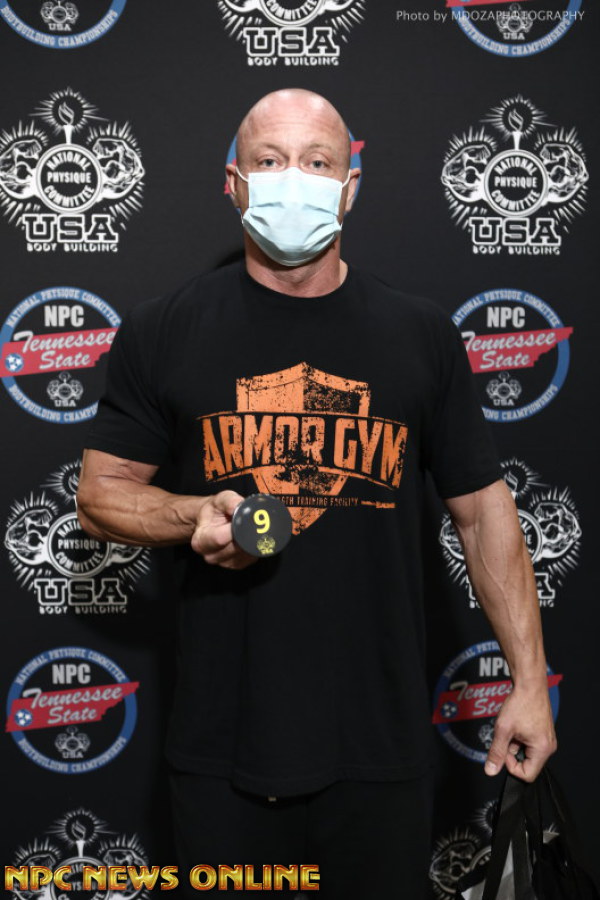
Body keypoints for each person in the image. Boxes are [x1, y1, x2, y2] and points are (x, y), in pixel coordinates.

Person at [77, 88, 557, 898]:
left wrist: (530, 685)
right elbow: (100, 494)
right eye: (269, 161)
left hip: (381, 748)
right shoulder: (165, 328)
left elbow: (483, 513)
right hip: (223, 752)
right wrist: (192, 514)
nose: (292, 179)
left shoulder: (420, 334)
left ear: (350, 187)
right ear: (233, 183)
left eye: (317, 161)